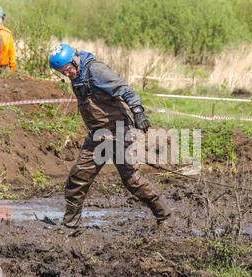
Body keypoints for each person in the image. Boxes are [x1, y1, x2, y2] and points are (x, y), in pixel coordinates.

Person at [49, 44, 173, 234]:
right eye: (62, 72)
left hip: (119, 132)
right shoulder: (77, 76)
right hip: (97, 136)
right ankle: (70, 225)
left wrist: (138, 112)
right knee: (78, 177)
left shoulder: (96, 71)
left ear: (74, 60)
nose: (68, 74)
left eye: (68, 69)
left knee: (132, 180)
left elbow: (126, 90)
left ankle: (165, 216)